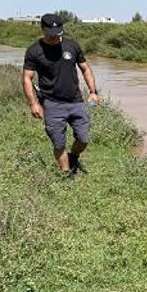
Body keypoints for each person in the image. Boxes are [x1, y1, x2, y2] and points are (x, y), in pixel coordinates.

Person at [22, 13, 100, 177]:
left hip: (75, 101)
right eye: (51, 34)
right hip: (52, 103)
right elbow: (27, 78)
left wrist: (93, 92)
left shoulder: (72, 46)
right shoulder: (34, 51)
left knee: (83, 138)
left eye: (58, 33)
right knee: (59, 143)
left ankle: (74, 157)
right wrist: (33, 104)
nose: (55, 37)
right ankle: (66, 175)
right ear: (43, 30)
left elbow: (85, 69)